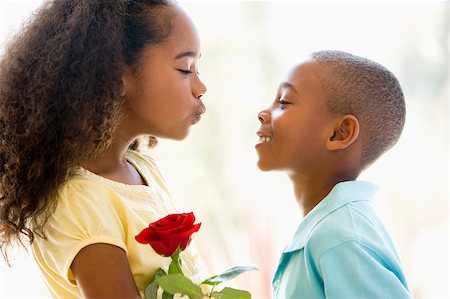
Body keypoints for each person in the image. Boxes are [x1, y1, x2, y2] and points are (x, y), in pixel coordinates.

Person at [0, 0, 206, 298]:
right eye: (185, 68)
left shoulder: (142, 168)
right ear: (117, 77)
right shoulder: (78, 199)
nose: (201, 87)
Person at [255, 50, 412, 298]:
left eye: (283, 102)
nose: (263, 113)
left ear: (339, 133)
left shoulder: (341, 238)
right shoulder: (328, 229)